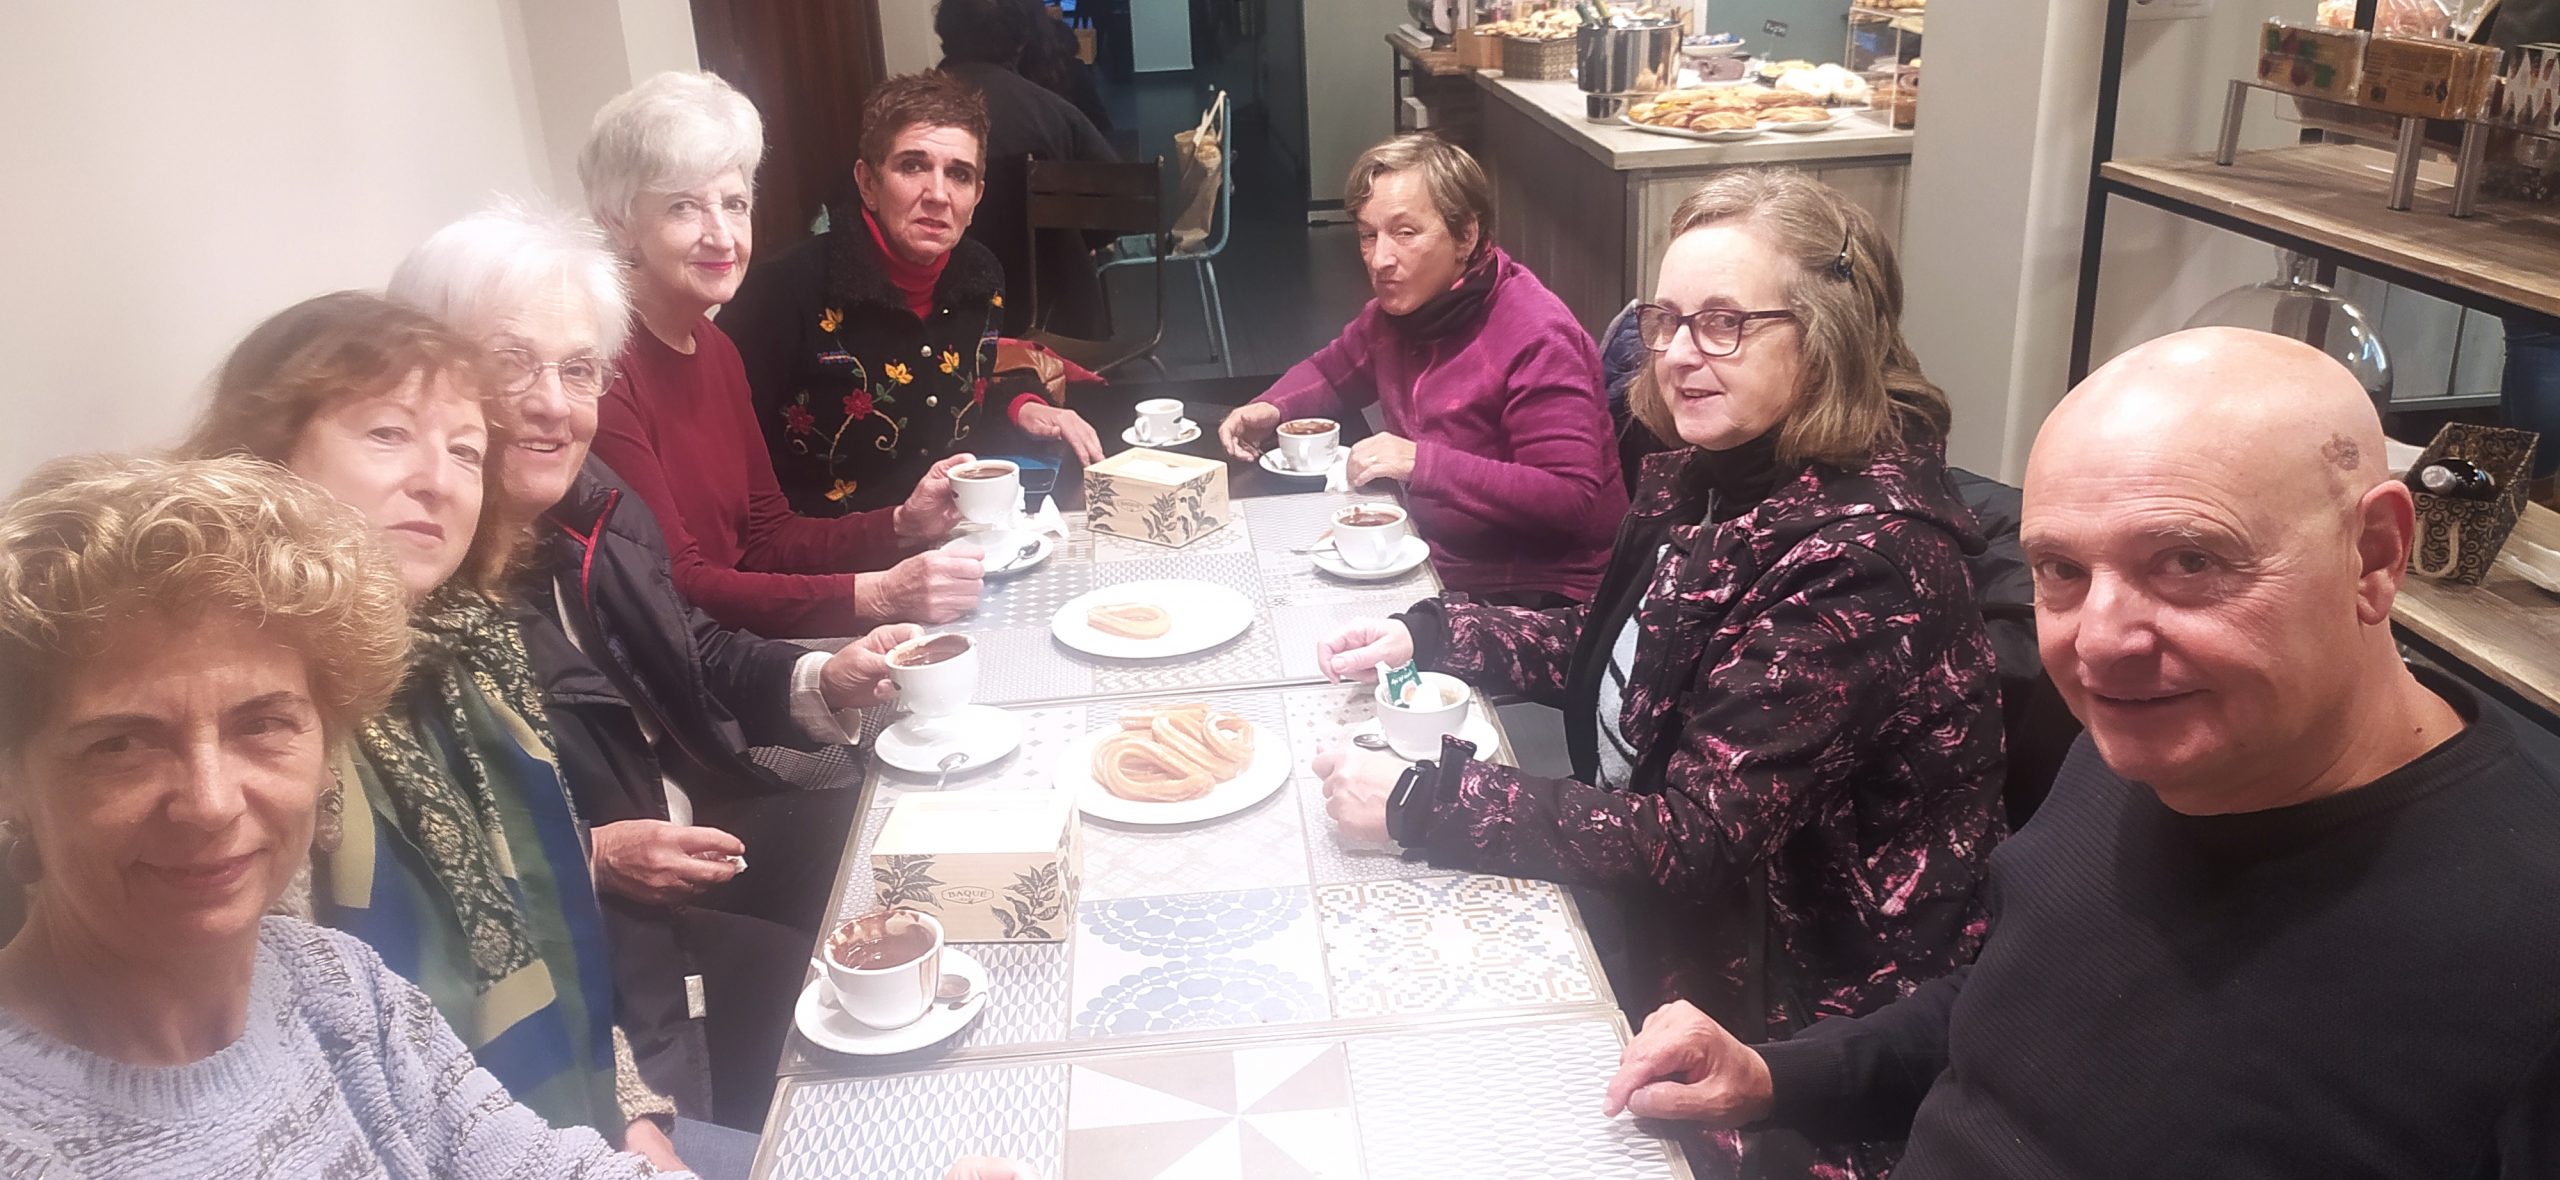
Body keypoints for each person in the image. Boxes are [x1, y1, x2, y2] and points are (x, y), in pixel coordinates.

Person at [1603, 327, 2560, 1177]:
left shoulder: (2522, 963)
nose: (2100, 643)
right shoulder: (2142, 743)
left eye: (2189, 561)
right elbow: (2015, 1005)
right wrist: (1777, 1074)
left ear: (2375, 554)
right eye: (2062, 569)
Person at [1312, 168, 2006, 1178]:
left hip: (1805, 1027)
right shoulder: (1716, 477)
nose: (1677, 354)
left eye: (1723, 323)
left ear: (1827, 336)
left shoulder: (1865, 559)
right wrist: (1435, 632)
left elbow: (1696, 836)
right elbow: (1640, 659)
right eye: (1665, 320)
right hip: (1692, 933)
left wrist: (1425, 802)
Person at [0, 454, 682, 1178]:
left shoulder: (335, 983)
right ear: (11, 779)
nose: (210, 803)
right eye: (120, 745)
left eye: (263, 724)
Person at [389, 203, 913, 1128]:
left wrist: (819, 680)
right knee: (816, 1000)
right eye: (512, 364)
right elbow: (433, 854)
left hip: (693, 816)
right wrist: (592, 854)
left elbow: (690, 645)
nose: (554, 405)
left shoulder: (593, 505)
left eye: (578, 369)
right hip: (606, 923)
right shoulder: (423, 588)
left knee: (892, 847)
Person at [179, 293, 687, 1171]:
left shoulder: (473, 657)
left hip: (583, 1123)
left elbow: (550, 932)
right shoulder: (250, 720)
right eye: (388, 434)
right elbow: (282, 1085)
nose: (438, 481)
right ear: (268, 455)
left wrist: (633, 1116)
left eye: (465, 452)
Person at [580, 70, 986, 638]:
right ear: (618, 222)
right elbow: (677, 584)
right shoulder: (597, 370)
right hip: (684, 661)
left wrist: (902, 524)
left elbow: (768, 537)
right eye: (684, 207)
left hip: (739, 641)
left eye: (735, 204)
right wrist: (877, 595)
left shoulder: (715, 348)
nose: (722, 236)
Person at [1219, 134, 1624, 605]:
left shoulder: (1537, 335)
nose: (1380, 260)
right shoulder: (1400, 312)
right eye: (1368, 235)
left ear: (1466, 235)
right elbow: (1333, 373)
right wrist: (1271, 407)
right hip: (1438, 555)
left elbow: (1570, 497)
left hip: (1540, 591)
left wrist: (1419, 463)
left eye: (1406, 233)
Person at [721, 68, 1103, 524]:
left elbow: (948, 401)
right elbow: (723, 463)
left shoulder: (980, 276)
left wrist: (1022, 406)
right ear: (868, 184)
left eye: (959, 174)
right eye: (913, 166)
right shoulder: (781, 293)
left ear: (977, 196)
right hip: (826, 551)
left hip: (950, 533)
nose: (938, 194)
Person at [934, 0, 1119, 340]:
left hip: (937, 323)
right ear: (1020, 41)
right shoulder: (1054, 113)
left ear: (943, 32)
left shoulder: (901, 121)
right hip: (1056, 321)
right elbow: (1113, 208)